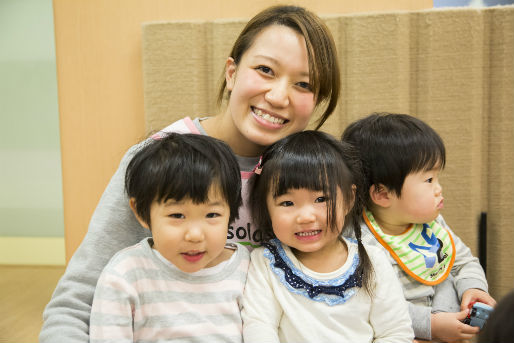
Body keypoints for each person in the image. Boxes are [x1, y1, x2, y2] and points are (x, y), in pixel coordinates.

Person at [40, 5, 341, 343]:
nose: (278, 95)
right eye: (265, 70)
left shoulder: (319, 176)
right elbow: (77, 301)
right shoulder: (157, 162)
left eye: (303, 84)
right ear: (231, 72)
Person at [241, 131, 414, 343]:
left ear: (349, 199)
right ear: (267, 208)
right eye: (287, 203)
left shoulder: (373, 260)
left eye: (321, 199)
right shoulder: (266, 263)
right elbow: (259, 327)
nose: (305, 217)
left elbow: (395, 333)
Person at [341, 113, 496, 342]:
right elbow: (370, 305)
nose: (438, 189)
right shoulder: (358, 241)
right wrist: (432, 325)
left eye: (437, 177)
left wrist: (474, 289)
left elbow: (464, 263)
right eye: (429, 180)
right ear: (382, 194)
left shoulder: (431, 225)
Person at [89, 133, 249, 342]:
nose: (194, 235)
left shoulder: (243, 267)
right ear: (141, 213)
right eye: (177, 215)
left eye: (212, 215)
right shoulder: (125, 274)